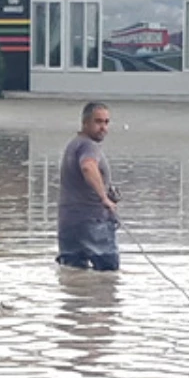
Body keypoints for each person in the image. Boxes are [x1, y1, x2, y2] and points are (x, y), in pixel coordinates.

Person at [57, 102, 120, 271]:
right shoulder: (88, 146)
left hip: (68, 221)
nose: (103, 127)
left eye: (106, 122)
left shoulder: (74, 144)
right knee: (108, 274)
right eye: (98, 122)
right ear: (85, 123)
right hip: (92, 220)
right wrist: (104, 197)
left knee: (73, 273)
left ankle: (80, 298)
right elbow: (88, 167)